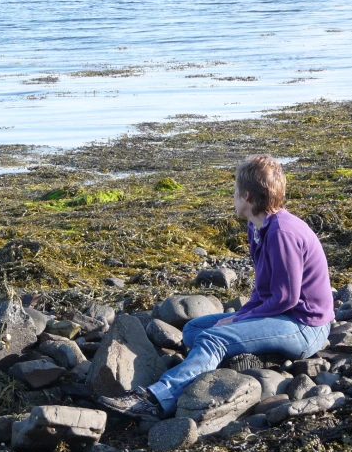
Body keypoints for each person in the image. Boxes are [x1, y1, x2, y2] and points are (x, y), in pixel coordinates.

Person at [98, 154, 334, 421]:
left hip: (305, 325)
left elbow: (286, 299)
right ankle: (250, 356)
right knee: (194, 329)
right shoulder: (257, 228)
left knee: (214, 337)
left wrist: (237, 319)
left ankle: (155, 399)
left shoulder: (283, 233)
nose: (231, 194)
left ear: (247, 196)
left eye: (234, 189)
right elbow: (263, 290)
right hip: (282, 317)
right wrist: (239, 319)